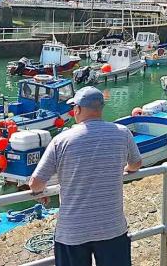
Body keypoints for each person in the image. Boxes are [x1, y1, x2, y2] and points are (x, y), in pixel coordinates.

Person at [29, 86, 142, 266]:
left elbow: (36, 183)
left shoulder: (62, 140)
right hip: (112, 227)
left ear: (78, 109)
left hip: (73, 231)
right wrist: (123, 168)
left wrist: (41, 191)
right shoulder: (122, 133)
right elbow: (136, 164)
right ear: (100, 109)